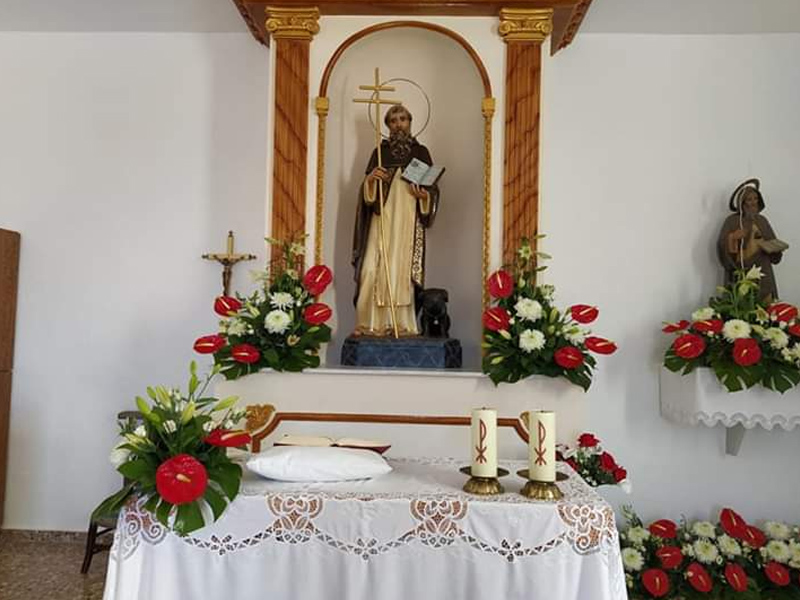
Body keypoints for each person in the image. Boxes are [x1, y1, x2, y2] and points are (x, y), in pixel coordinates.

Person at [351, 105, 440, 336]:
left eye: (402, 119)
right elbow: (367, 195)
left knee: (401, 271)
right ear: (388, 126)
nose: (398, 124)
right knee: (370, 268)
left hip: (407, 222)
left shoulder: (421, 152)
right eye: (393, 120)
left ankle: (401, 324)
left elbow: (431, 190)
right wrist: (371, 180)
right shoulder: (379, 153)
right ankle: (370, 323)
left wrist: (424, 196)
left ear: (410, 122)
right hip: (382, 218)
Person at [717, 178, 785, 301]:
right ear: (742, 202)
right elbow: (722, 245)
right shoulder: (732, 221)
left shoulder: (762, 220)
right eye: (749, 199)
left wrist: (776, 249)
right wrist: (733, 238)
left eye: (755, 199)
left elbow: (771, 241)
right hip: (742, 269)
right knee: (743, 302)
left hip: (763, 268)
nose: (753, 202)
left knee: (766, 303)